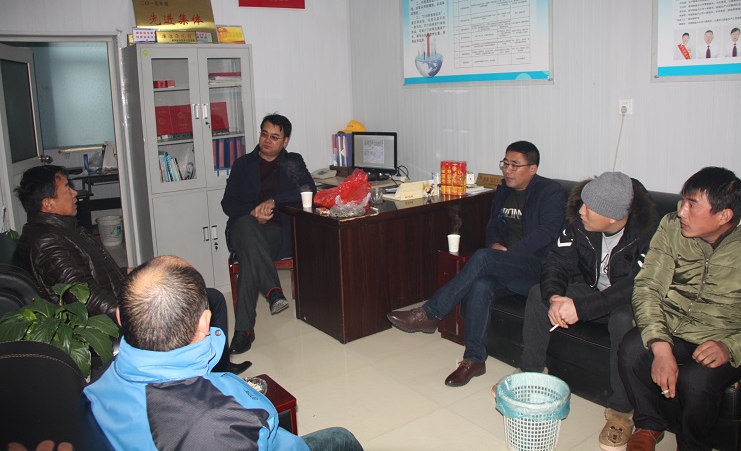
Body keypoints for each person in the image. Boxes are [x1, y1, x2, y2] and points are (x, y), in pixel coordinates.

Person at [84, 255, 363, 451]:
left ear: (120, 317)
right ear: (205, 323)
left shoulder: (100, 380)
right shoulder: (216, 425)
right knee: (341, 438)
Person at [15, 165, 249, 375]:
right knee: (212, 300)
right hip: (108, 321)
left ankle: (217, 367)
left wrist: (132, 271)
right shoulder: (49, 242)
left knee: (199, 293)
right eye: (67, 189)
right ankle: (217, 372)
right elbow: (83, 298)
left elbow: (88, 273)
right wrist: (135, 315)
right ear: (48, 203)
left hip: (118, 302)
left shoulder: (56, 230)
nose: (75, 193)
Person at [387, 141, 565, 386]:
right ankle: (474, 359)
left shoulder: (550, 191)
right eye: (505, 163)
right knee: (481, 285)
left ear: (532, 169)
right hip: (506, 264)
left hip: (536, 268)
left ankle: (431, 312)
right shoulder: (503, 190)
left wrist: (508, 254)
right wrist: (495, 245)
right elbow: (493, 225)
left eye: (515, 165)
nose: (507, 170)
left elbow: (547, 232)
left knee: (482, 257)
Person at [512, 172, 658, 451]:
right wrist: (555, 297)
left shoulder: (647, 235)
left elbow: (633, 287)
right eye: (583, 203)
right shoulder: (580, 224)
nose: (581, 210)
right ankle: (530, 373)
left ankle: (621, 412)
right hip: (590, 291)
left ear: (614, 216)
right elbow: (556, 261)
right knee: (538, 294)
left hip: (628, 302)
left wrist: (580, 308)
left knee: (623, 318)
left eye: (590, 207)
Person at [618, 167, 741, 451]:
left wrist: (731, 347)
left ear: (724, 216)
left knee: (696, 381)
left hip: (723, 335)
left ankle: (693, 444)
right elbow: (648, 285)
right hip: (673, 323)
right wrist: (661, 347)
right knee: (632, 348)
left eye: (692, 205)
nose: (681, 211)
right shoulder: (672, 226)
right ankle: (649, 424)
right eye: (682, 201)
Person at [222, 113, 316, 354]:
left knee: (249, 256)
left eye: (275, 137)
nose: (267, 140)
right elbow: (228, 203)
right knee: (246, 226)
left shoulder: (292, 162)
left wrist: (273, 201)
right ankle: (273, 290)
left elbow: (308, 189)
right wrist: (253, 212)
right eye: (264, 134)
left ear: (285, 141)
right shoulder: (243, 164)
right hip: (242, 228)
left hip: (274, 233)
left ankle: (244, 331)